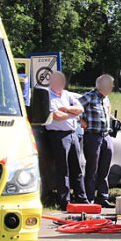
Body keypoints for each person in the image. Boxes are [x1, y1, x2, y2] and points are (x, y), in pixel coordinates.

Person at [43, 72, 87, 209]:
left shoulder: (67, 95)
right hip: (58, 135)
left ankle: (82, 198)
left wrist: (67, 110)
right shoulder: (48, 96)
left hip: (73, 134)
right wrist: (73, 116)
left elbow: (80, 109)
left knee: (77, 168)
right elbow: (56, 115)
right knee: (63, 169)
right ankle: (64, 201)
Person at [78, 74, 116, 208]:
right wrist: (82, 121)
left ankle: (102, 197)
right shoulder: (89, 96)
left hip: (106, 135)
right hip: (92, 136)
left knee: (104, 168)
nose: (111, 87)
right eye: (109, 85)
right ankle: (89, 197)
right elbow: (75, 107)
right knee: (92, 168)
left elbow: (108, 111)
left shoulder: (106, 99)